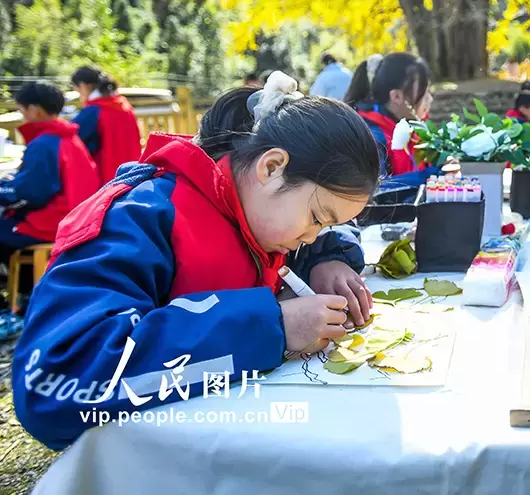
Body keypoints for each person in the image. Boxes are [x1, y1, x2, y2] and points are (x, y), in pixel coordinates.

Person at [13, 72, 381, 450]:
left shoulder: (259, 205)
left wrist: (329, 259)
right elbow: (55, 385)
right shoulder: (141, 218)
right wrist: (270, 327)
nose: (311, 236)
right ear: (271, 168)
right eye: (319, 219)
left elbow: (314, 230)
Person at [0, 83, 99, 263]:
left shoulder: (44, 144)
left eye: (22, 109)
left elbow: (31, 193)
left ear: (34, 110)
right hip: (80, 219)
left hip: (55, 223)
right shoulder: (69, 137)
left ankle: (19, 285)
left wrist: (5, 189)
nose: (22, 115)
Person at [346, 53, 437, 190]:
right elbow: (375, 192)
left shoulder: (411, 129)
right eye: (423, 93)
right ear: (396, 96)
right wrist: (431, 177)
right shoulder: (373, 138)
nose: (429, 99)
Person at [70, 67, 142, 183]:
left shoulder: (93, 111)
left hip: (106, 178)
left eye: (78, 90)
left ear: (84, 86)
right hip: (132, 176)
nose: (79, 96)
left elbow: (71, 137)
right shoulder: (125, 107)